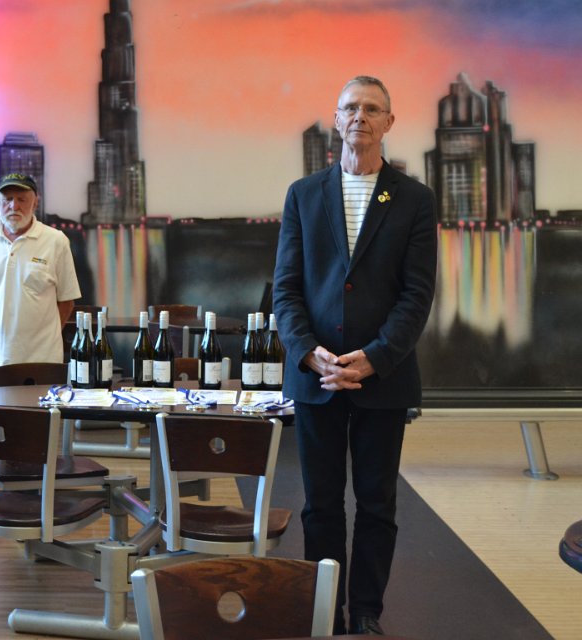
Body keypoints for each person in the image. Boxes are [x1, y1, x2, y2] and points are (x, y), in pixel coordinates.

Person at [273, 76, 437, 635]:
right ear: (337, 119)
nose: (360, 116)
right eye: (350, 108)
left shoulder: (414, 199)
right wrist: (307, 353)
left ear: (389, 122)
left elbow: (417, 295)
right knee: (320, 505)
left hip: (382, 379)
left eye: (372, 108)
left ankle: (366, 612)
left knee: (377, 504)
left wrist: (376, 356)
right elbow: (286, 290)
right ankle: (326, 613)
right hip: (315, 377)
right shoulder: (303, 194)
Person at [0, 173, 81, 372]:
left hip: (43, 358)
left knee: (40, 395)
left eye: (21, 199)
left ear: (35, 203)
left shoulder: (56, 241)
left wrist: (45, 337)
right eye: (7, 199)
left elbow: (67, 301)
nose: (14, 206)